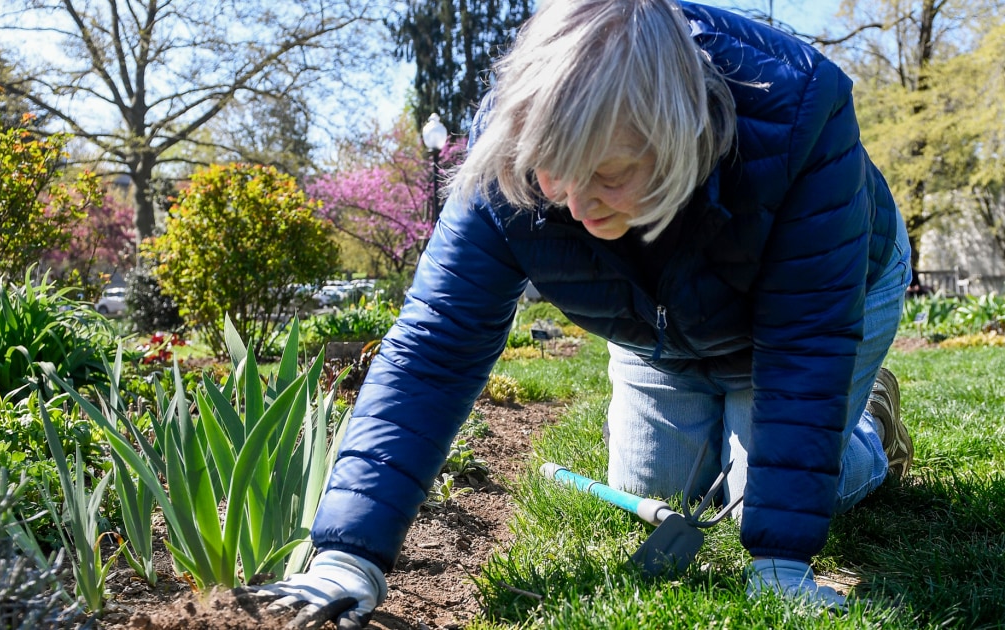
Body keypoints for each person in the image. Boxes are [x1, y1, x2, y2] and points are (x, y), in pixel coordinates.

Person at [238, 1, 914, 625]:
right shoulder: (512, 151)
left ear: (676, 129)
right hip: (660, 323)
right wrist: (347, 554)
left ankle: (869, 432)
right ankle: (734, 421)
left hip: (820, 299)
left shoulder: (799, 111)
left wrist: (779, 563)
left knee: (757, 490)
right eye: (556, 175)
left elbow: (805, 344)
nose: (578, 206)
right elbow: (433, 351)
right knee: (651, 488)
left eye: (610, 173)